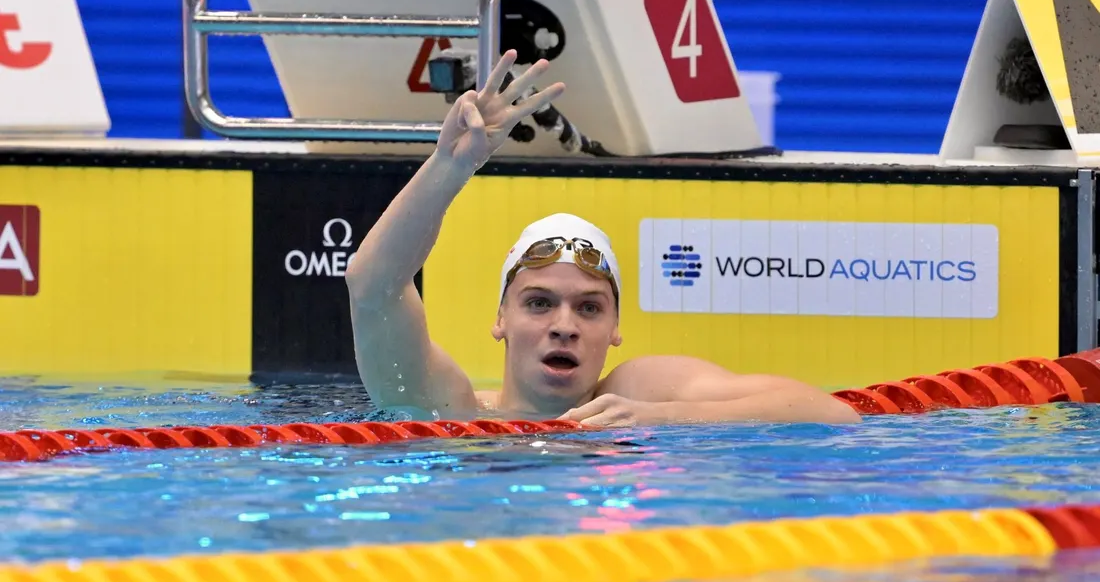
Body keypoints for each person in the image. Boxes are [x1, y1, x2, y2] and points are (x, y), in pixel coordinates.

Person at [345, 51, 859, 427]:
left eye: (589, 308)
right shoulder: (447, 405)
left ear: (616, 328)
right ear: (501, 319)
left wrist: (664, 417)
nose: (564, 326)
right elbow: (373, 287)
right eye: (539, 303)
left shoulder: (638, 393)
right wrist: (448, 168)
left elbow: (831, 414)